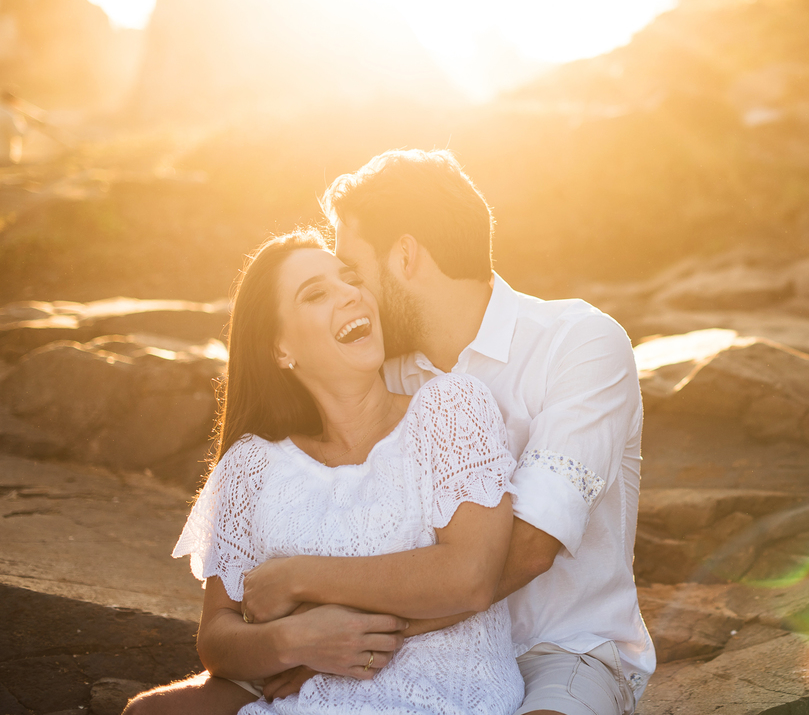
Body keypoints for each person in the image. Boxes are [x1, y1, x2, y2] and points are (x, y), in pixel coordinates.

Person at [280, 148, 655, 714]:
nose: (350, 294)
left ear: (405, 255)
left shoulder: (579, 343)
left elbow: (530, 547)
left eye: (354, 271)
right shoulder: (383, 372)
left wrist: (351, 637)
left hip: (556, 652)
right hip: (415, 656)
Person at [126, 229, 524, 715]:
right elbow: (217, 641)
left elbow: (469, 577)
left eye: (351, 279)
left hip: (445, 699)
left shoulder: (450, 407)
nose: (351, 294)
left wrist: (298, 578)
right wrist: (294, 641)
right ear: (279, 349)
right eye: (316, 294)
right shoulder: (251, 465)